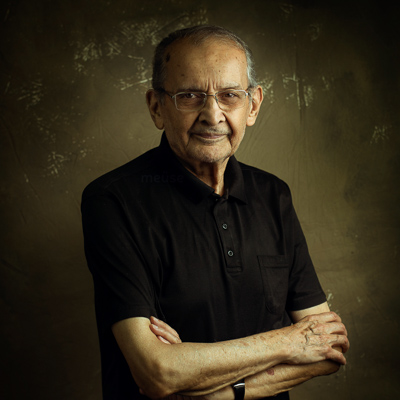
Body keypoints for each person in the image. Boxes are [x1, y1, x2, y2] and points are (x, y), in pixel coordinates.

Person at [81, 25, 349, 400]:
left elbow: (329, 350)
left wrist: (212, 392)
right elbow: (158, 372)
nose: (212, 114)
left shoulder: (273, 195)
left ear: (252, 105)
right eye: (189, 96)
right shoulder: (112, 201)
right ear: (157, 107)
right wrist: (291, 341)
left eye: (229, 95)